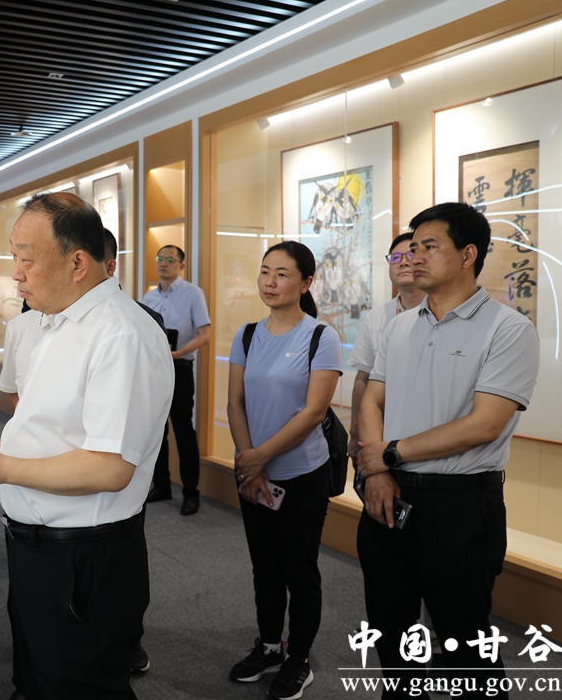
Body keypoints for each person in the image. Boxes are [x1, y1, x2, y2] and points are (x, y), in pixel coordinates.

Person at [0, 192, 173, 700]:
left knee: (78, 683)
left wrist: (2, 468)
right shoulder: (58, 323)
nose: (15, 274)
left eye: (25, 258)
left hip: (82, 557)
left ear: (77, 264)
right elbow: (52, 431)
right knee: (39, 677)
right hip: (38, 547)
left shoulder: (119, 335)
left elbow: (110, 468)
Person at [356, 203, 539, 699]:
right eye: (411, 247)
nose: (413, 256)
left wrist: (388, 454)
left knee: (465, 648)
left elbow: (485, 424)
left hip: (459, 506)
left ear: (468, 255)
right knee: (392, 638)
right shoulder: (398, 325)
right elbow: (372, 400)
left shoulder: (507, 329)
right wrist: (378, 473)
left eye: (429, 246)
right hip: (388, 496)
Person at [226, 241, 341, 700]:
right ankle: (270, 646)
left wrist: (259, 457)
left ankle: (299, 658)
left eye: (282, 274)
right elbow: (235, 402)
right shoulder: (246, 334)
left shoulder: (321, 337)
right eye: (264, 272)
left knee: (300, 570)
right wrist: (248, 460)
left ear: (306, 283)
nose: (269, 282)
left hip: (302, 475)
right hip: (253, 474)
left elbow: (314, 412)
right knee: (265, 568)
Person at [142, 244, 211, 515]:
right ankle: (161, 485)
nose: (164, 263)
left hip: (180, 367)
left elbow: (204, 335)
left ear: (181, 266)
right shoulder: (148, 297)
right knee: (156, 430)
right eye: (160, 259)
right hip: (155, 369)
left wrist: (178, 353)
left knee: (184, 431)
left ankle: (191, 493)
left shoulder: (193, 294)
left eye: (170, 260)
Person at [347, 232, 425, 460]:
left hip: (425, 435)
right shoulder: (377, 316)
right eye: (395, 257)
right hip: (378, 432)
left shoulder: (443, 315)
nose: (403, 262)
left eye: (410, 254)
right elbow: (363, 377)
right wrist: (355, 431)